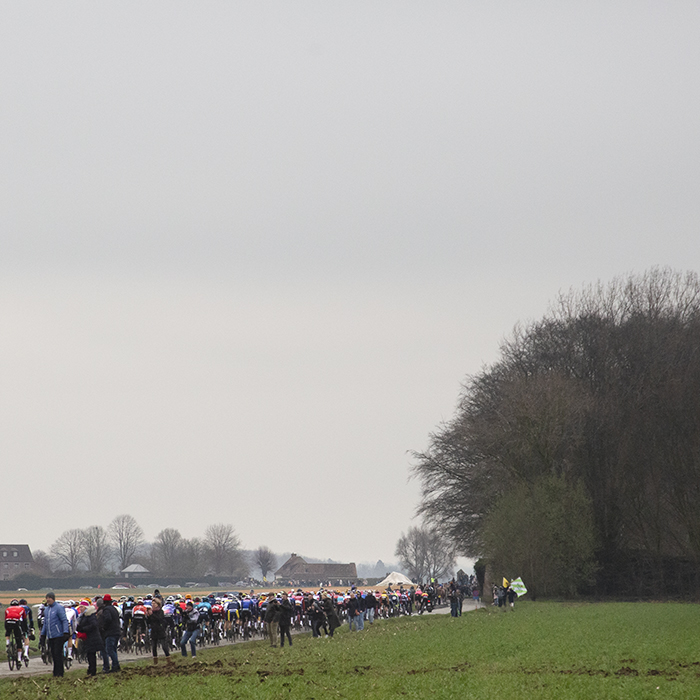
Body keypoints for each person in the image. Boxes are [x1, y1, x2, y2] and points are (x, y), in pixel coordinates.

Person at [40, 592, 70, 678]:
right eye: (47, 598)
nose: (48, 600)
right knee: (53, 654)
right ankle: (55, 672)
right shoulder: (46, 609)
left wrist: (65, 632)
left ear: (53, 599)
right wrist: (43, 635)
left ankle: (60, 672)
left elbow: (64, 620)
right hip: (50, 635)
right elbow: (45, 623)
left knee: (58, 654)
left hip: (58, 635)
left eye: (49, 598)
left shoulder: (59, 608)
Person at [76, 605, 104, 677]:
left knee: (91, 654)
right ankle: (91, 669)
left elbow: (93, 625)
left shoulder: (91, 616)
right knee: (89, 655)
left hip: (92, 638)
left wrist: (83, 629)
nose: (80, 609)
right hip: (88, 638)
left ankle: (92, 670)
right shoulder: (83, 616)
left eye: (82, 607)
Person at [97, 593, 121, 673]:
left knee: (109, 649)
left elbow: (108, 619)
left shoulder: (106, 610)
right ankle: (115, 665)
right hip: (117, 631)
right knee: (113, 649)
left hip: (110, 632)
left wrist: (104, 627)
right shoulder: (114, 609)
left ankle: (116, 665)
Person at [147, 598, 172, 664]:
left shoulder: (161, 611)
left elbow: (160, 619)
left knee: (164, 646)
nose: (153, 605)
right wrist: (148, 616)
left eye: (154, 604)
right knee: (154, 647)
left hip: (160, 630)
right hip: (154, 630)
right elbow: (149, 622)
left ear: (158, 604)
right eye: (152, 604)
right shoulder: (151, 611)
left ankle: (168, 660)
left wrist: (152, 615)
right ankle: (155, 662)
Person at [4, 598, 27, 667]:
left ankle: (7, 643)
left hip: (8, 622)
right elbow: (24, 620)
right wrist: (25, 630)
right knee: (18, 640)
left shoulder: (7, 609)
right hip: (16, 622)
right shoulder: (21, 609)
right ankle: (19, 659)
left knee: (8, 631)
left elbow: (6, 618)